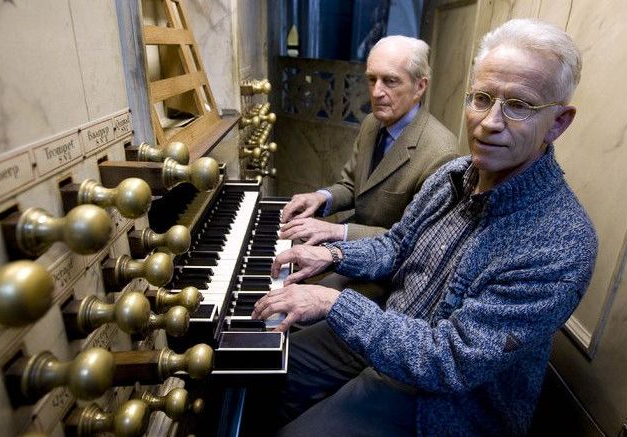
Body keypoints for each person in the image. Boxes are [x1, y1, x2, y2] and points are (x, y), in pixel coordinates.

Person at [252, 18, 598, 436]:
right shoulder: (453, 174)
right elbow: (398, 245)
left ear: (559, 122)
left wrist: (334, 303)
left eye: (519, 105)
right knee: (260, 372)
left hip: (442, 402)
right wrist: (331, 253)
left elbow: (449, 360)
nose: (489, 122)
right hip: (388, 325)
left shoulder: (562, 242)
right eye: (482, 98)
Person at [280, 35, 457, 245]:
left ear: (420, 87)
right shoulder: (372, 123)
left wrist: (338, 232)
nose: (376, 92)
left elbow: (411, 240)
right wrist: (320, 198)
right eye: (372, 79)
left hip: (388, 269)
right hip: (353, 244)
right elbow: (351, 186)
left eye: (390, 81)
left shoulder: (441, 153)